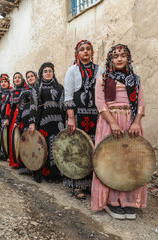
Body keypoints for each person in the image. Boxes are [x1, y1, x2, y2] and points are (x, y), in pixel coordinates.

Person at [91, 44, 146, 220]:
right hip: (110, 123)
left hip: (131, 125)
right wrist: (113, 123)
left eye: (123, 55)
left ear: (128, 58)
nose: (119, 59)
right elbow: (100, 104)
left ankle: (128, 201)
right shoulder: (103, 79)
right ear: (110, 60)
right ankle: (111, 201)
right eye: (115, 56)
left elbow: (141, 104)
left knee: (130, 162)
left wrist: (136, 122)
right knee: (111, 161)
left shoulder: (135, 80)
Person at [63, 40, 104, 200]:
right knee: (78, 148)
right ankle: (77, 185)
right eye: (82, 49)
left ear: (92, 52)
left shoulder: (100, 70)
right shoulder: (72, 70)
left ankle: (94, 184)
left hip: (95, 115)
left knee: (94, 148)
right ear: (77, 53)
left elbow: (102, 94)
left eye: (88, 49)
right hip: (78, 115)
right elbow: (68, 97)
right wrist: (71, 118)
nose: (85, 51)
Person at [29, 63, 65, 183]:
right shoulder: (37, 87)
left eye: (50, 71)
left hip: (58, 121)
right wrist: (32, 122)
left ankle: (57, 174)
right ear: (41, 74)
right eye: (45, 71)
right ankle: (46, 173)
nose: (48, 73)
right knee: (44, 146)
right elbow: (33, 106)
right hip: (43, 120)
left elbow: (63, 106)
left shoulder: (59, 87)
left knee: (57, 145)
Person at [15, 71, 38, 175]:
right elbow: (20, 107)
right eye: (28, 77)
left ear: (36, 77)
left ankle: (37, 166)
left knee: (37, 143)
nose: (30, 78)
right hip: (25, 118)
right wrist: (17, 120)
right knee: (27, 143)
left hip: (37, 117)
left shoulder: (40, 88)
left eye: (31, 76)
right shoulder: (24, 92)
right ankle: (26, 166)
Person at [3, 72, 28, 168]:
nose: (17, 79)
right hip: (14, 117)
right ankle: (16, 162)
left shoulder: (27, 90)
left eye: (19, 77)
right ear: (13, 81)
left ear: (22, 79)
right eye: (15, 78)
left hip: (25, 116)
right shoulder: (11, 92)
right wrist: (7, 118)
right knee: (14, 138)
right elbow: (8, 106)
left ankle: (25, 162)